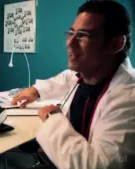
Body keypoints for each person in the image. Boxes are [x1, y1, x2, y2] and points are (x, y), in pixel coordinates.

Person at [12, 1, 135, 169]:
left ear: (115, 44)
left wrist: (53, 120)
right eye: (70, 33)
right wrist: (35, 91)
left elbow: (96, 165)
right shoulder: (87, 74)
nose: (69, 42)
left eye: (83, 35)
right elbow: (65, 78)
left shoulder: (129, 98)